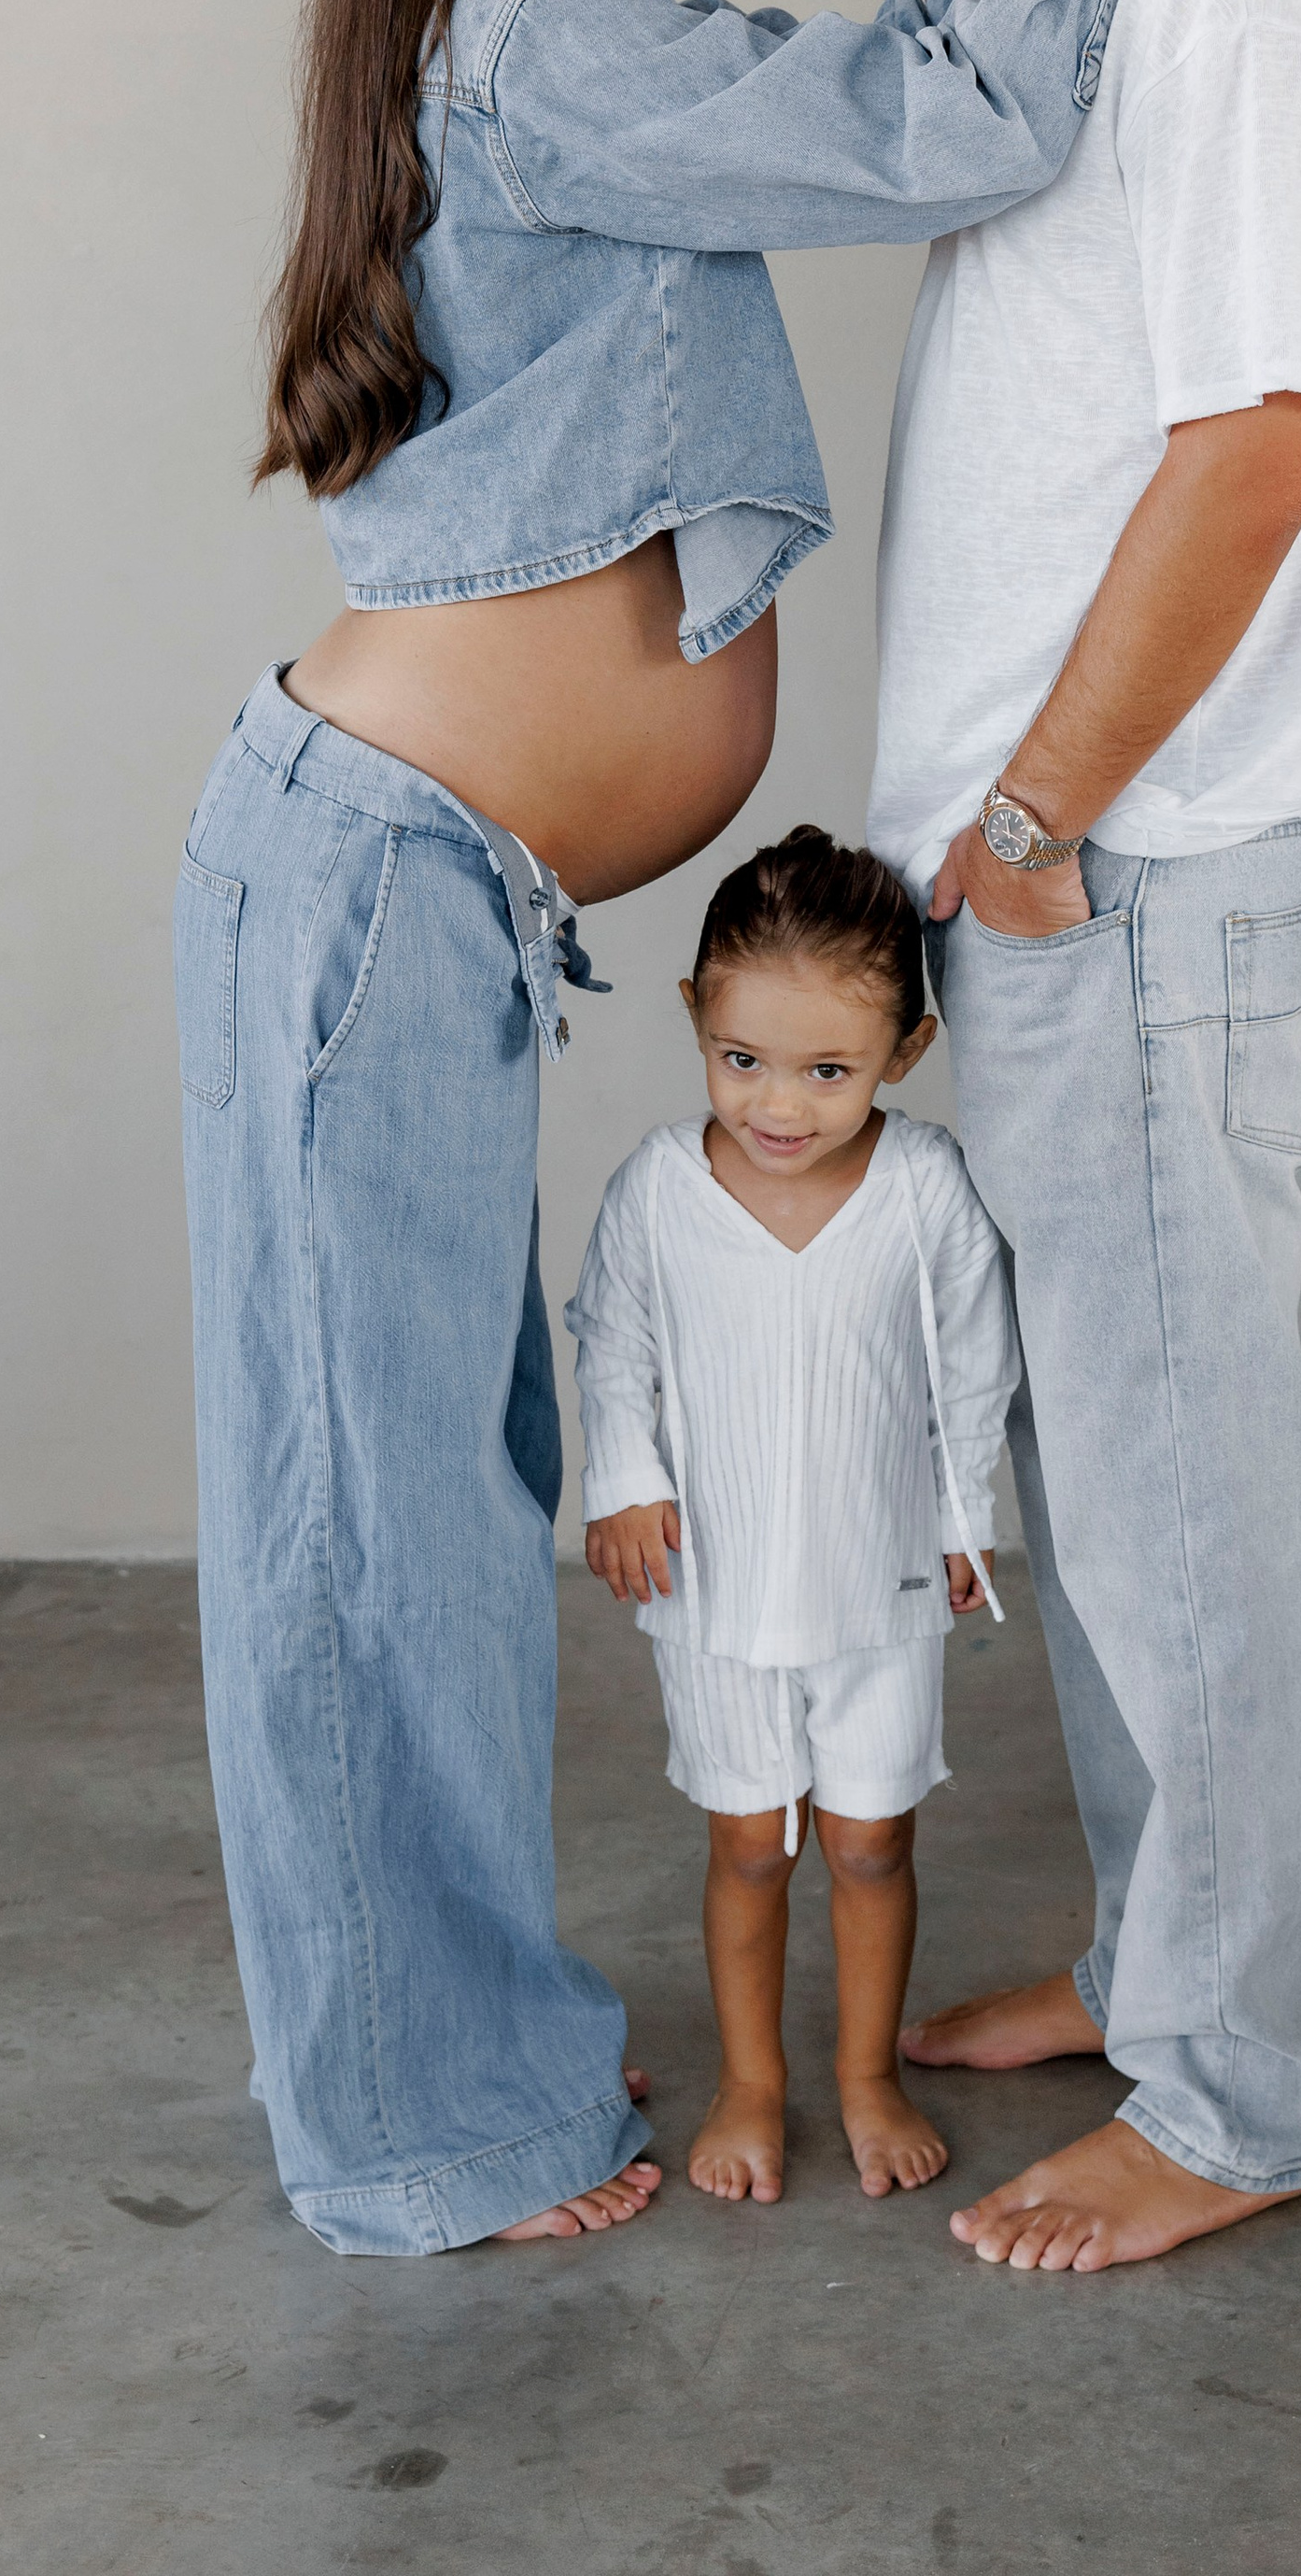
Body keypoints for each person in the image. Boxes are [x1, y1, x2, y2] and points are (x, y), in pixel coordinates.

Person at [173, 0, 1253, 2254]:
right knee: (366, 1538)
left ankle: (457, 2062)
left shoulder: (564, 51)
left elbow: (887, 106)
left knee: (432, 1499)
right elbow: (938, 117)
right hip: (362, 896)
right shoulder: (536, 35)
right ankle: (414, 2130)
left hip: (410, 907)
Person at [869, 0, 1301, 2274]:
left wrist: (1047, 813)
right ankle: (1156, 1945)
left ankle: (1235, 2085)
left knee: (1187, 1462)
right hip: (1073, 868)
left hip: (1138, 858)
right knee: (1118, 1451)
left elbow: (1251, 457)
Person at [570, 828, 1021, 2209]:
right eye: (744, 1059)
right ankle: (753, 2082)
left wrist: (965, 1516)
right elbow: (612, 1346)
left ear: (907, 1048)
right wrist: (625, 1482)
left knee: (872, 1840)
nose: (781, 1103)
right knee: (749, 1844)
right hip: (716, 1591)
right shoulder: (657, 1194)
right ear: (697, 1018)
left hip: (875, 1583)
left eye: (829, 1070)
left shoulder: (925, 1188)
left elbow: (973, 1359)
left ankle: (866, 2072)